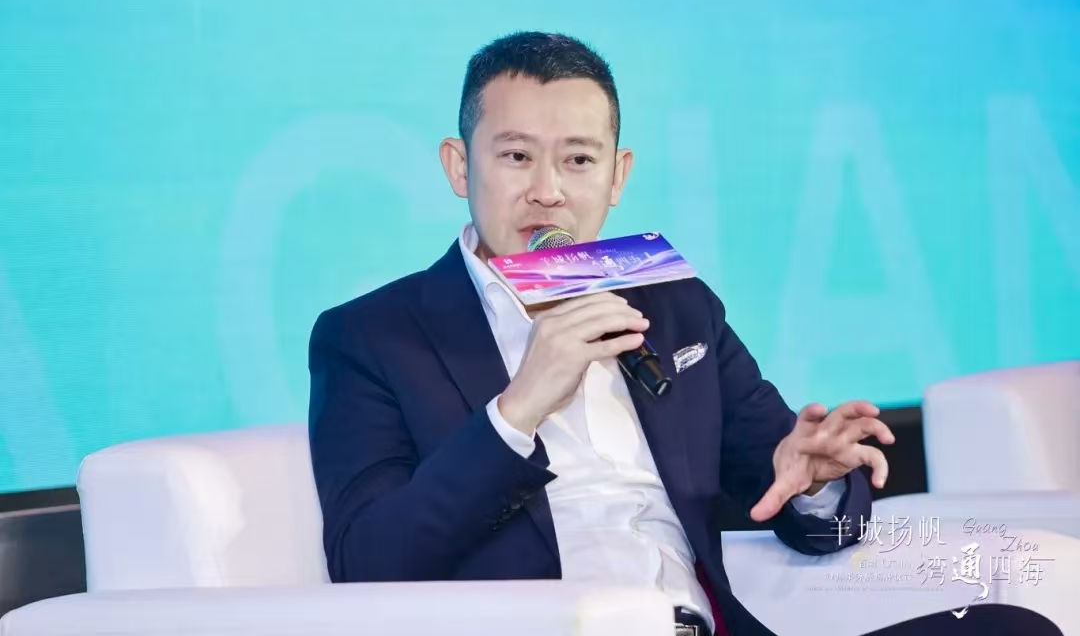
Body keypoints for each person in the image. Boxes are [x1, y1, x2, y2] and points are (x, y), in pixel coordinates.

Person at [307, 32, 1062, 636]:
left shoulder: (672, 304)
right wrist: (518, 410)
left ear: (617, 176)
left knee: (1013, 626)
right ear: (458, 166)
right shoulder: (372, 336)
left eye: (578, 160)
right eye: (515, 156)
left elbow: (808, 512)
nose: (548, 191)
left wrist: (817, 483)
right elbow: (367, 563)